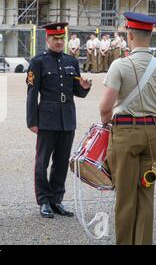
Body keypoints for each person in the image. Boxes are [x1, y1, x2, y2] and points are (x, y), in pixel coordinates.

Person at [99, 12, 156, 245]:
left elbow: (105, 108)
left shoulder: (119, 65)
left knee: (125, 197)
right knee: (145, 196)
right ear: (150, 36)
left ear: (129, 36)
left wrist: (108, 124)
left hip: (125, 134)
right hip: (151, 135)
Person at [26, 22, 92, 218]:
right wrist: (32, 121)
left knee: (62, 162)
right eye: (54, 38)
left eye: (61, 38)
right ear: (47, 39)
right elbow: (32, 93)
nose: (58, 41)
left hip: (67, 118)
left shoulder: (72, 61)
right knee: (42, 161)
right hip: (46, 117)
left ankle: (57, 199)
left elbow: (77, 91)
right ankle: (44, 200)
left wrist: (85, 86)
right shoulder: (38, 62)